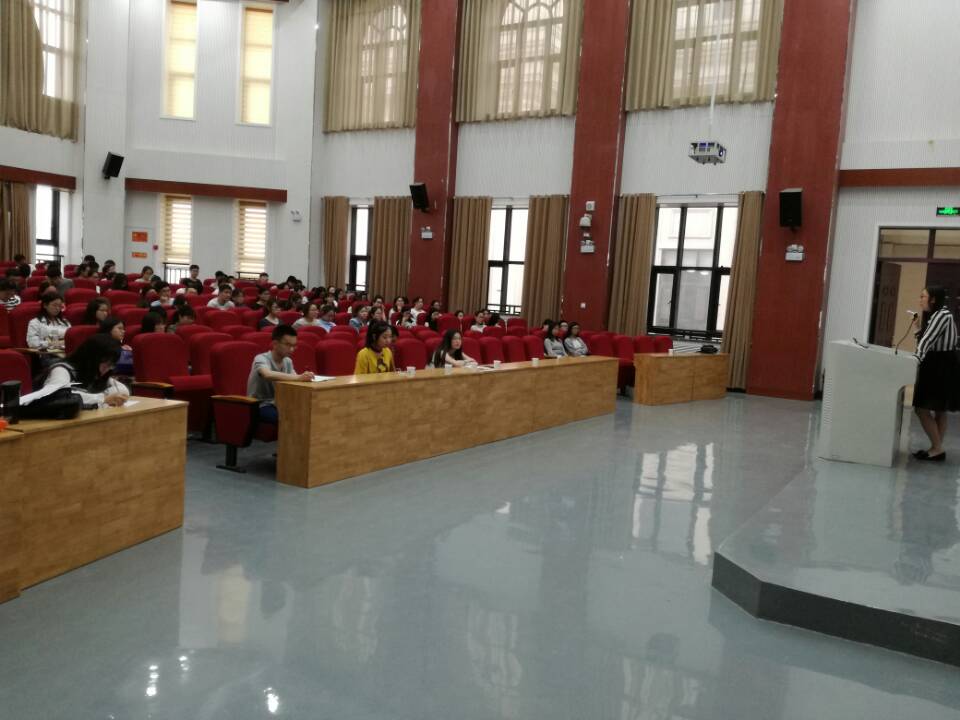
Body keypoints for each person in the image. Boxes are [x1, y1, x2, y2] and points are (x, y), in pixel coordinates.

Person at [912, 286, 960, 461]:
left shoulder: (942, 315)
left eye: (923, 296)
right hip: (939, 364)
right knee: (940, 409)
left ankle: (937, 448)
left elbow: (927, 341)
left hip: (940, 366)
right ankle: (936, 448)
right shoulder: (937, 315)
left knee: (922, 408)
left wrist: (916, 359)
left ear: (933, 299)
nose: (920, 300)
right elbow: (927, 338)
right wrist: (917, 326)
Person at [247, 324, 314, 424]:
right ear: (275, 343)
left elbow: (295, 381)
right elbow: (267, 374)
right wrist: (299, 377)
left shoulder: (288, 361)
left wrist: (306, 377)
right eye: (288, 345)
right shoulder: (261, 358)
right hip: (261, 405)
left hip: (280, 402)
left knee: (309, 411)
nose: (291, 349)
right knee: (290, 417)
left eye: (294, 346)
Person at [41, 334, 129, 408]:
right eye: (106, 363)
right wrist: (103, 398)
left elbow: (123, 390)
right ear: (92, 358)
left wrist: (110, 397)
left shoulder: (94, 373)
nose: (108, 368)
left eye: (111, 365)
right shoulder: (62, 370)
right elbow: (59, 396)